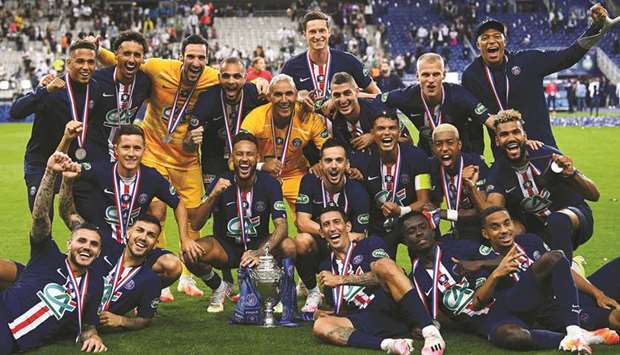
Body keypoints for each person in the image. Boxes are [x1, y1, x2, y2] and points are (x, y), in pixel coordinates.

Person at [96, 34, 269, 298]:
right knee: (156, 212)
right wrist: (98, 51)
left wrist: (260, 82)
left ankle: (186, 277)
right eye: (191, 56)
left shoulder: (213, 76)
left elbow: (239, 81)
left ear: (207, 60)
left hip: (187, 158)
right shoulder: (158, 67)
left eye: (201, 57)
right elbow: (126, 61)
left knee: (191, 218)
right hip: (153, 151)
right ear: (181, 57)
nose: (196, 62)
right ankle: (155, 269)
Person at [402, 209, 615, 354]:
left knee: (555, 257)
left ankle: (575, 331)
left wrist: (482, 265)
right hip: (487, 321)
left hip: (505, 301)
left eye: (422, 227)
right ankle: (584, 337)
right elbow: (438, 312)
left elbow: (501, 259)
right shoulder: (416, 279)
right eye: (412, 231)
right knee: (515, 337)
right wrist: (427, 325)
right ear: (405, 240)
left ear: (432, 229)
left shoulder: (459, 248)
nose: (419, 233)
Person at [462, 4, 613, 154]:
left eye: (497, 36)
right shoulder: (471, 76)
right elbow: (473, 124)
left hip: (544, 150)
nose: (491, 41)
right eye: (485, 38)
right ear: (477, 44)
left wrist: (595, 28)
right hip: (506, 158)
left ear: (505, 42)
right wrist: (477, 161)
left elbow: (567, 57)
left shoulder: (528, 61)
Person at [470, 206, 618, 352]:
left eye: (507, 223)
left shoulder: (530, 241)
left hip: (569, 296)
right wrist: (496, 273)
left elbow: (563, 267)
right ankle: (578, 333)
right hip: (550, 313)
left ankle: (577, 332)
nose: (504, 230)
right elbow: (479, 302)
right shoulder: (483, 259)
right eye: (495, 227)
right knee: (615, 319)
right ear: (485, 233)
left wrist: (597, 293)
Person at [58, 124, 184, 294]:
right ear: (116, 150)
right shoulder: (100, 170)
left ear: (144, 150)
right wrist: (66, 140)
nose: (131, 153)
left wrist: (185, 239)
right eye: (126, 147)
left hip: (135, 247)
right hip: (103, 247)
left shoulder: (151, 177)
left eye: (137, 148)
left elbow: (179, 203)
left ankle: (136, 295)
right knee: (89, 293)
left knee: (172, 266)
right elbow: (63, 165)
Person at [0, 152, 106, 354]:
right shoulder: (47, 255)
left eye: (93, 244)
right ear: (69, 244)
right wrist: (50, 173)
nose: (86, 247)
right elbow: (40, 218)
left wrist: (93, 336)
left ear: (99, 252)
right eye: (81, 240)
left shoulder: (94, 283)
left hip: (16, 342)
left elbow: (88, 326)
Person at [184, 132, 296, 313]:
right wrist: (213, 196)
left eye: (249, 154)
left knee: (289, 245)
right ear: (232, 157)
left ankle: (279, 293)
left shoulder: (270, 184)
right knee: (190, 253)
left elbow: (282, 226)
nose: (244, 159)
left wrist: (260, 252)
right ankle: (218, 286)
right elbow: (196, 224)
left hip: (258, 245)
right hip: (225, 249)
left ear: (257, 157)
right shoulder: (221, 181)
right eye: (239, 154)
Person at [312, 206, 445, 355]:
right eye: (326, 225)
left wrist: (341, 279)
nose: (332, 228)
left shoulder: (370, 244)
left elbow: (384, 274)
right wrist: (327, 313)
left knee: (384, 264)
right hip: (364, 320)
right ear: (322, 233)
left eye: (336, 222)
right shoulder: (325, 267)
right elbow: (342, 306)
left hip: (392, 309)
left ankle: (431, 332)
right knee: (320, 325)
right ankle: (390, 345)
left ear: (347, 226)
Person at [483, 110, 599, 260]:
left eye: (516, 132)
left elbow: (594, 195)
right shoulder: (497, 173)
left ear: (524, 136)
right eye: (504, 135)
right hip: (539, 230)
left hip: (575, 218)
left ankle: (565, 275)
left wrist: (572, 173)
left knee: (557, 220)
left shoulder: (546, 154)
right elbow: (494, 211)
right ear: (497, 141)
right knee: (509, 232)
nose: (511, 138)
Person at [9, 40, 101, 216]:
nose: (86, 67)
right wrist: (44, 91)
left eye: (91, 62)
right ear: (68, 63)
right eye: (80, 61)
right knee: (42, 221)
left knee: (88, 224)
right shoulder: (52, 86)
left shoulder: (95, 88)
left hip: (74, 164)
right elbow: (16, 112)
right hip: (42, 162)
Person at [294, 139, 370, 313]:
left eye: (339, 160)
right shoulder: (309, 182)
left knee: (335, 302)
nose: (334, 166)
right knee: (300, 241)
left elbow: (359, 234)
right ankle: (312, 290)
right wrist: (329, 233)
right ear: (320, 164)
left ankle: (344, 284)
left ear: (347, 164)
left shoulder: (358, 191)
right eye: (328, 161)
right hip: (321, 241)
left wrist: (336, 237)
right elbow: (302, 221)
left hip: (345, 248)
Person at [240, 74, 328, 212]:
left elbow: (330, 149)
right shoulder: (255, 118)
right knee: (251, 224)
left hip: (295, 175)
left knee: (312, 218)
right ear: (269, 97)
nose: (284, 100)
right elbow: (236, 159)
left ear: (296, 96)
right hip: (261, 177)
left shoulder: (309, 117)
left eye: (289, 94)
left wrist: (320, 163)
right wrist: (262, 166)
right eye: (278, 95)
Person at [352, 110, 431, 258]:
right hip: (379, 225)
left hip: (410, 219)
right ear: (372, 134)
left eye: (392, 128)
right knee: (382, 270)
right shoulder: (361, 160)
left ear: (398, 132)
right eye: (381, 129)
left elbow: (424, 200)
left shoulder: (417, 156)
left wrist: (401, 211)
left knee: (426, 249)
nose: (387, 133)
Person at [379, 53, 491, 155]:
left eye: (436, 74)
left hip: (461, 157)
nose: (431, 80)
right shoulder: (408, 96)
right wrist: (373, 134)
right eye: (425, 75)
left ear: (444, 75)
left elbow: (490, 120)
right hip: (428, 157)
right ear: (417, 76)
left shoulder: (459, 95)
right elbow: (375, 101)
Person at [281, 10, 380, 112]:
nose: (318, 36)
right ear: (304, 35)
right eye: (312, 32)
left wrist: (347, 97)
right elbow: (277, 99)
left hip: (343, 126)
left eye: (322, 30)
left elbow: (376, 93)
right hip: (307, 126)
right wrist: (297, 98)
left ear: (329, 32)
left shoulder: (348, 60)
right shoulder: (291, 66)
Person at [89, 31, 152, 162]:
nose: (131, 60)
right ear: (116, 55)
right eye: (127, 54)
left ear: (143, 59)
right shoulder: (96, 79)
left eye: (137, 55)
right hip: (95, 153)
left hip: (124, 156)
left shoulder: (145, 82)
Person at [428, 123, 489, 240]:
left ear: (459, 144)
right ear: (433, 148)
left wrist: (443, 213)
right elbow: (429, 206)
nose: (444, 148)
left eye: (450, 143)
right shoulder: (431, 166)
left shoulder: (475, 163)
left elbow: (483, 210)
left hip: (481, 229)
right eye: (438, 144)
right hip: (457, 229)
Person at [329, 72, 403, 155]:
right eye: (337, 95)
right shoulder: (333, 116)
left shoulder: (378, 109)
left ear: (357, 92)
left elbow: (405, 138)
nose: (342, 100)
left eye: (347, 93)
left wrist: (375, 136)